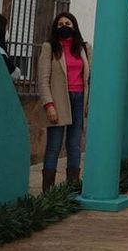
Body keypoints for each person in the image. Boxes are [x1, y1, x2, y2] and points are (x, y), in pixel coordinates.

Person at [35, 11, 89, 192]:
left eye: (67, 23)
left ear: (74, 26)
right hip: (58, 101)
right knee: (54, 145)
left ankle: (71, 189)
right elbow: (43, 80)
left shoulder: (83, 48)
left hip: (79, 99)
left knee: (74, 145)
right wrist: (49, 105)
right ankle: (48, 192)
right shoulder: (49, 48)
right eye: (60, 24)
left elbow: (90, 76)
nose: (64, 27)